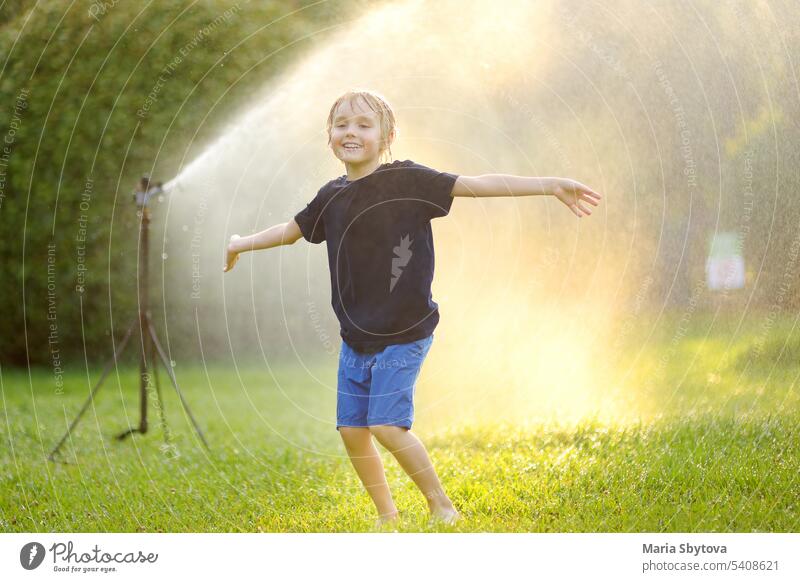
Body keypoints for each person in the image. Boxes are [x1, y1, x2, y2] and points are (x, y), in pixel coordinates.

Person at [223, 90, 602, 526]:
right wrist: (240, 244)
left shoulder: (407, 180)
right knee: (351, 431)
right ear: (329, 135)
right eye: (342, 124)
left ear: (387, 137)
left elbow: (477, 185)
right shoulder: (330, 196)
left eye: (364, 125)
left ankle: (441, 504)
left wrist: (550, 185)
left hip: (404, 331)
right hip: (356, 336)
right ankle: (388, 516)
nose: (351, 132)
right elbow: (290, 232)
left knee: (385, 425)